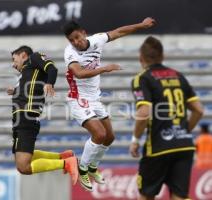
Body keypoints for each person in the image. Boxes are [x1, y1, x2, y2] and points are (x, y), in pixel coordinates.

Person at [62, 17, 156, 191]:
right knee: (99, 133)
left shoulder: (97, 39)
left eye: (77, 37)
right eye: (71, 40)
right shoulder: (70, 52)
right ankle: (81, 168)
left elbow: (119, 31)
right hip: (78, 98)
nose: (76, 42)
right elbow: (79, 73)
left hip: (94, 99)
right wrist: (104, 68)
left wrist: (141, 25)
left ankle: (92, 166)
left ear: (83, 33)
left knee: (110, 137)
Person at [130, 36, 204, 200]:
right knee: (179, 196)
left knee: (146, 195)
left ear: (140, 58)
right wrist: (184, 130)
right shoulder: (179, 76)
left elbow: (144, 111)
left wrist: (135, 139)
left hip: (158, 147)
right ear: (162, 57)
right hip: (184, 146)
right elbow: (198, 110)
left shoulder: (143, 78)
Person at [7, 45, 78, 185]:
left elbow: (52, 68)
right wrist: (15, 91)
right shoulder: (27, 72)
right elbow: (30, 88)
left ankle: (67, 163)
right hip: (20, 118)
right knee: (20, 157)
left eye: (14, 59)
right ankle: (63, 157)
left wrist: (50, 83)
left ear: (23, 55)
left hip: (27, 115)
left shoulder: (34, 57)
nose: (13, 64)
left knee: (23, 166)